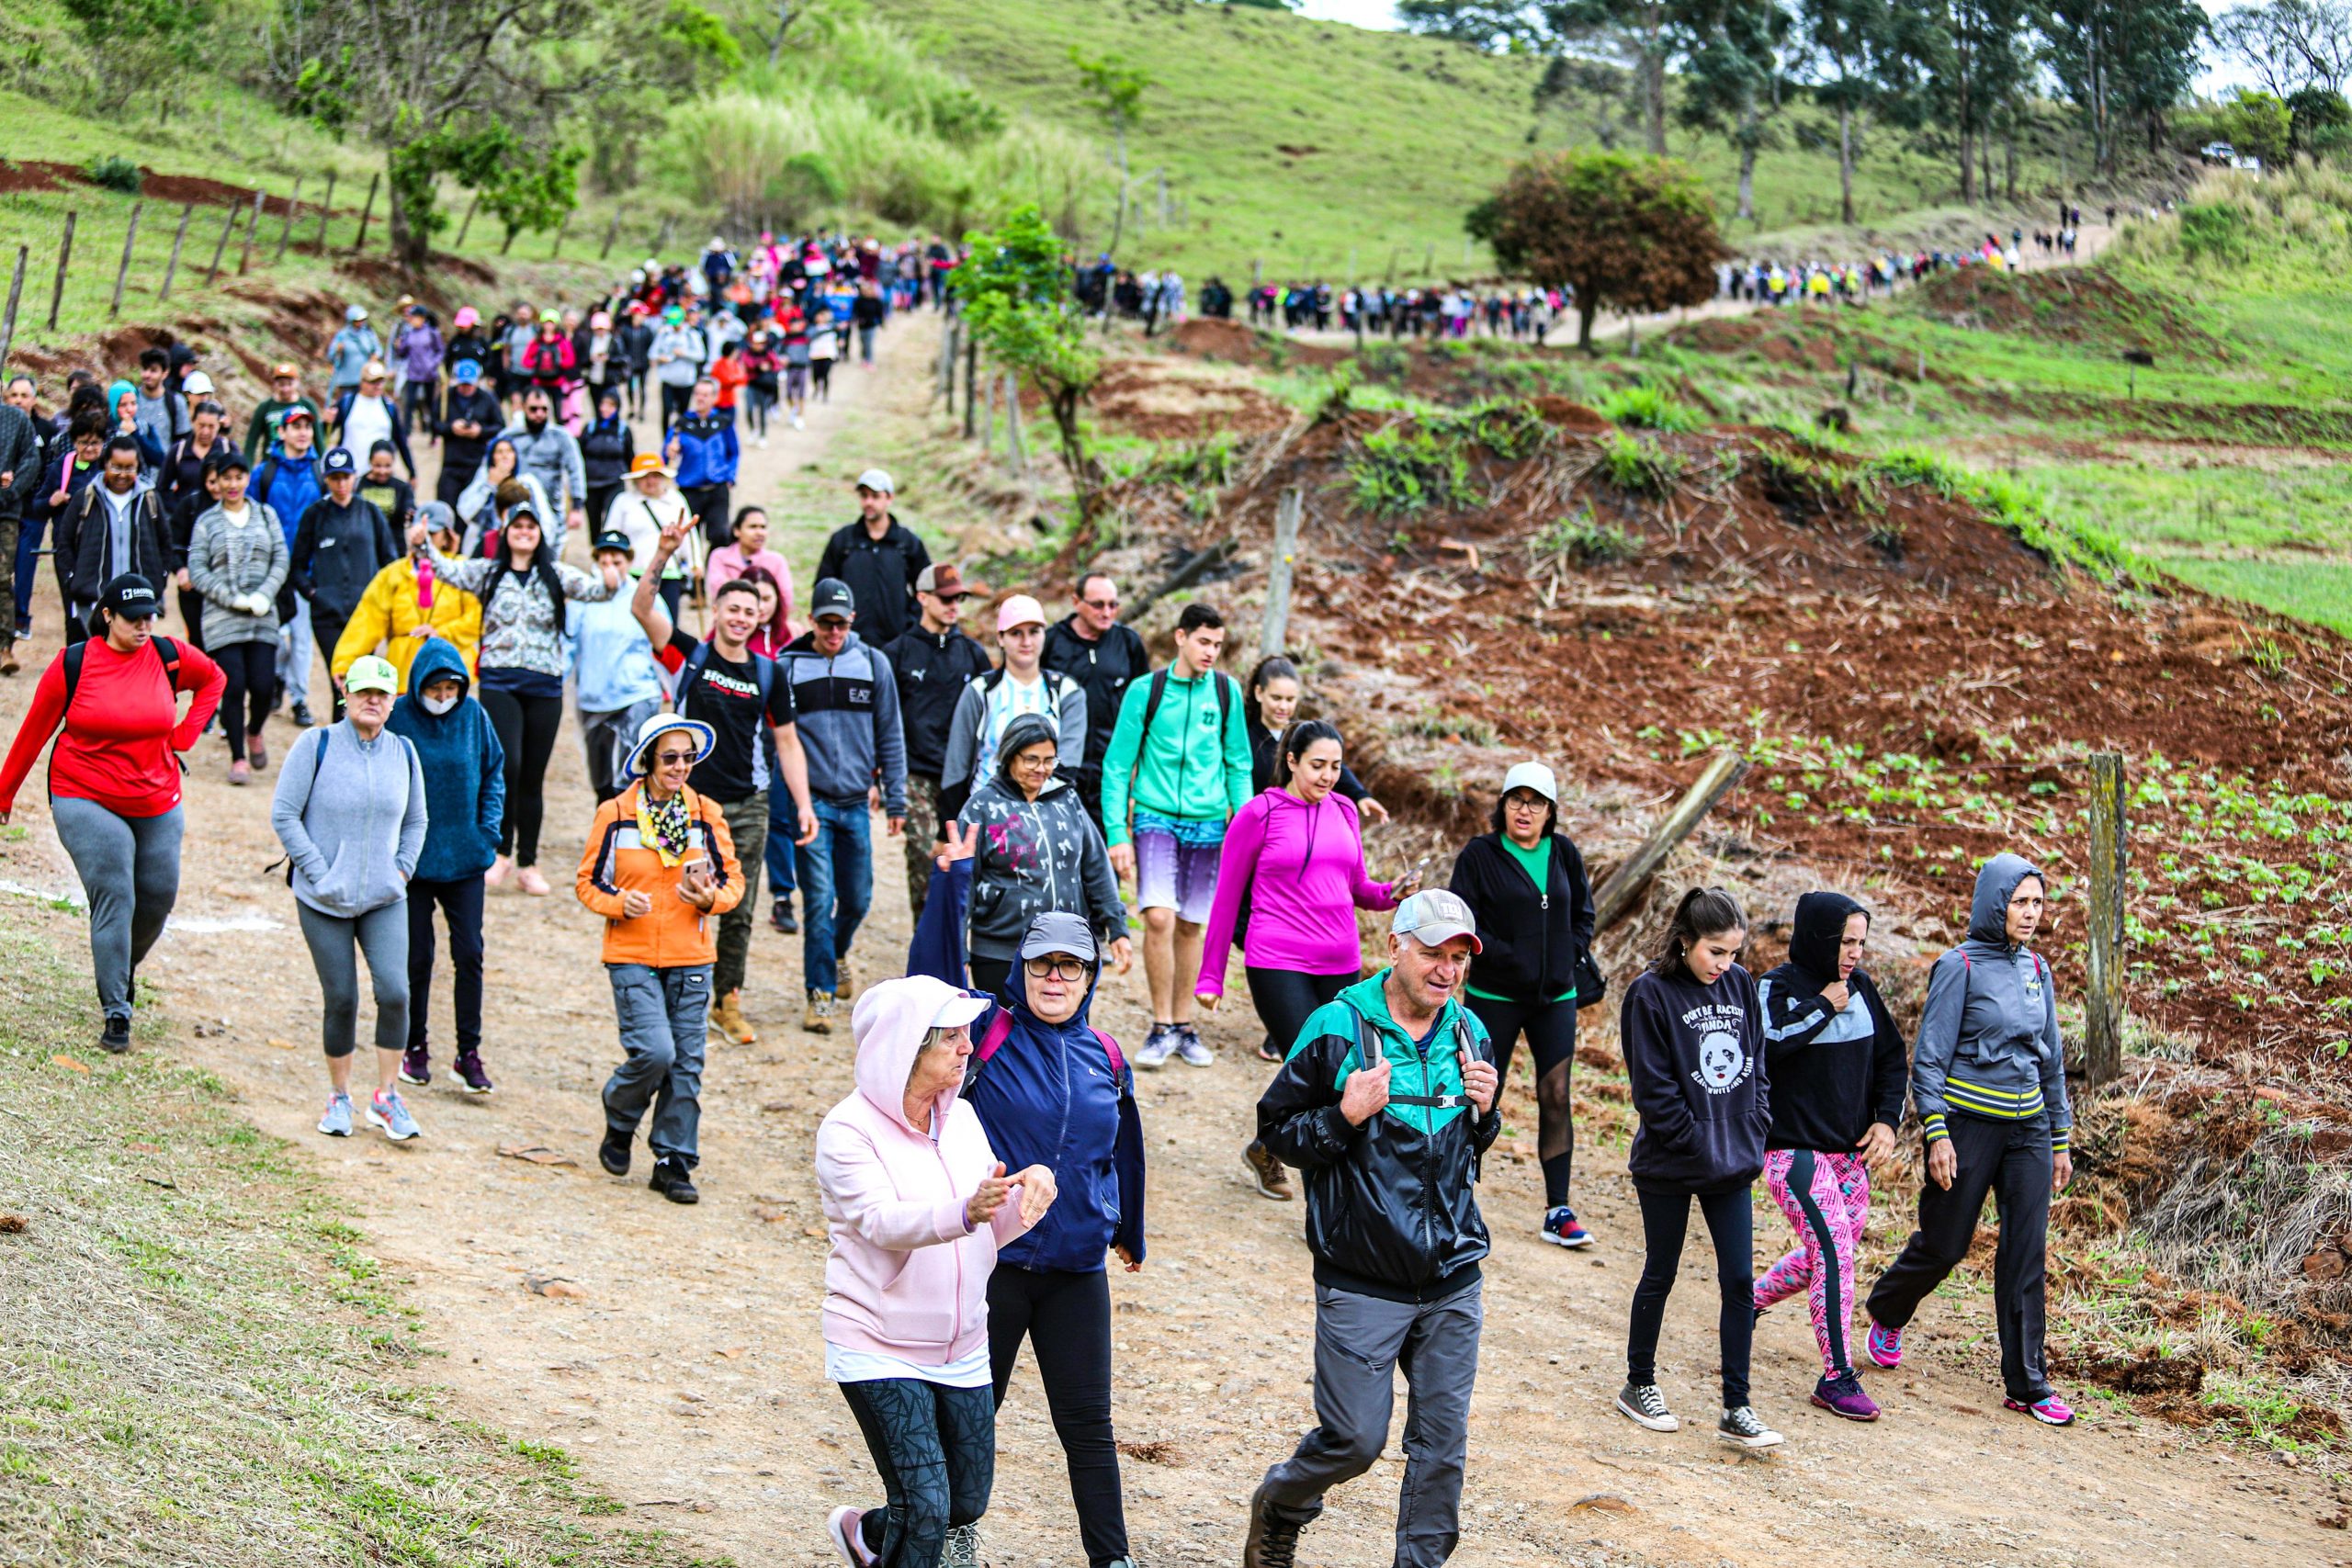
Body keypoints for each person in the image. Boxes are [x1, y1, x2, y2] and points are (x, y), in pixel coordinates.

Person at [1244, 890, 1500, 1568]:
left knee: (1442, 1446)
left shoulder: (1471, 1033)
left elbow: (1465, 1151)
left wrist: (1487, 1113)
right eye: (1432, 954)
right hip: (1361, 1276)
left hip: (1452, 1275)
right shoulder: (1337, 1028)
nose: (1446, 971)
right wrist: (1344, 1116)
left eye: (1457, 958)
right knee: (1356, 1439)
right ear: (1395, 947)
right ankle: (1283, 1503)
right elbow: (1275, 1131)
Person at [908, 907, 1146, 1568]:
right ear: (1022, 966)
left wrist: (1130, 1228)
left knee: (1089, 1426)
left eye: (1071, 965)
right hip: (996, 1261)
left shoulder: (1106, 1054)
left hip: (1075, 1268)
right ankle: (949, 1535)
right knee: (974, 1415)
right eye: (1043, 962)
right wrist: (951, 885)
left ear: (1089, 976)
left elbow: (1122, 1146)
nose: (1055, 977)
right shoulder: (985, 1032)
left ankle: (1113, 1558)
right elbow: (926, 985)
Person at [816, 975, 1057, 1568]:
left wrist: (1027, 1190)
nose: (967, 1048)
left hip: (963, 1343)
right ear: (905, 1047)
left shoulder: (966, 1118)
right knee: (924, 1507)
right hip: (877, 1341)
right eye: (950, 1037)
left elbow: (978, 1224)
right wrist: (963, 1210)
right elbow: (880, 1221)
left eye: (965, 1035)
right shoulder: (847, 1130)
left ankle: (869, 1534)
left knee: (963, 1502)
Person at [1864, 853, 2077, 1427]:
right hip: (1966, 1125)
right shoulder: (1957, 966)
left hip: (2028, 1128)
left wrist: (2060, 1135)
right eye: (2020, 902)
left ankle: (2027, 1383)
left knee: (2025, 1251)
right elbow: (1928, 1061)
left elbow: (2051, 1059)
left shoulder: (2038, 970)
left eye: (2037, 903)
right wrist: (1936, 1133)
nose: (2030, 913)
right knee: (1946, 1243)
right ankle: (1887, 1309)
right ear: (1994, 904)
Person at [0, 574, 223, 1052]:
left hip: (156, 796)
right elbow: (34, 731)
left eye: (150, 617)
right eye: (133, 618)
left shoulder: (168, 656)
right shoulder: (74, 664)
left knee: (157, 897)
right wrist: (4, 794)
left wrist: (185, 734)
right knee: (116, 893)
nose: (144, 626)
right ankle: (116, 1013)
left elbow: (213, 680)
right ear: (107, 616)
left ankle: (123, 970)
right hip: (85, 793)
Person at [1199, 717, 1406, 1201]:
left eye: (1335, 766)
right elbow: (1227, 896)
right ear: (1291, 761)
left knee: (1335, 1073)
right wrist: (1211, 976)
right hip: (1276, 960)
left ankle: (1269, 1144)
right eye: (1317, 765)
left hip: (1340, 962)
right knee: (1324, 1072)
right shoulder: (1259, 813)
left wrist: (1392, 893)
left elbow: (1357, 888)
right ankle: (1326, 1200)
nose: (1328, 776)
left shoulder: (1346, 812)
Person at [632, 522, 818, 1044]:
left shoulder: (769, 673)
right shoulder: (691, 654)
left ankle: (727, 999)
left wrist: (802, 804)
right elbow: (643, 610)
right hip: (687, 803)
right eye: (731, 609)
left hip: (749, 804)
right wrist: (664, 553)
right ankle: (670, 988)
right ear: (716, 611)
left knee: (738, 903)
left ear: (761, 616)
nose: (740, 617)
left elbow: (786, 742)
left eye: (749, 610)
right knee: (679, 895)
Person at [1615, 887, 1783, 1450]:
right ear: (1685, 941)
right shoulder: (1650, 994)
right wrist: (1699, 1141)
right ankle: (1639, 1384)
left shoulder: (1739, 985)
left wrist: (1754, 1124)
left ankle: (1737, 1406)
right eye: (1715, 952)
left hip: (1731, 1159)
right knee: (1660, 1270)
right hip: (1669, 1163)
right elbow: (1653, 1092)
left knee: (1739, 1279)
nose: (1725, 965)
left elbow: (1757, 1061)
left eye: (1734, 953)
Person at [576, 712, 745, 1204]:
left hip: (692, 956)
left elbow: (734, 883)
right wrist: (617, 903)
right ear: (647, 759)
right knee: (656, 1051)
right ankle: (621, 1113)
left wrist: (709, 900)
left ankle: (673, 1161)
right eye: (670, 757)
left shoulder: (706, 813)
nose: (680, 766)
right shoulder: (616, 813)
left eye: (688, 758)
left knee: (687, 1064)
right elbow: (587, 882)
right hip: (630, 952)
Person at [1752, 891, 1907, 1424]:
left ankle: (1749, 1301)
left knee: (1828, 1252)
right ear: (1819, 938)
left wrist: (1887, 1120)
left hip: (1849, 1156)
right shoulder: (1775, 987)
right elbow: (1767, 1044)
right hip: (1790, 1151)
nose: (1855, 953)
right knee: (1836, 1250)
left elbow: (1892, 1060)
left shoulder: (1861, 988)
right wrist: (1823, 1005)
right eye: (1846, 941)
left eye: (1862, 942)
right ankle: (1836, 1375)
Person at [422, 504, 626, 894]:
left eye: (531, 526)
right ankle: (500, 852)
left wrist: (612, 577)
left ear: (540, 534)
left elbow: (597, 591)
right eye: (517, 525)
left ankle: (528, 863)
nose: (524, 532)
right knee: (507, 766)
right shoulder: (488, 571)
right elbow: (447, 570)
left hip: (545, 685)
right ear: (506, 531)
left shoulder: (555, 574)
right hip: (500, 680)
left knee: (532, 775)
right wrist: (421, 545)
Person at [271, 654, 429, 1143]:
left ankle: (387, 1096)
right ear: (347, 696)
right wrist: (318, 871)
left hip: (385, 896)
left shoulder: (404, 752)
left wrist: (402, 868)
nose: (373, 701)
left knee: (396, 992)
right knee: (342, 998)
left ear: (393, 701)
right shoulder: (314, 745)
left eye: (382, 694)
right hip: (323, 899)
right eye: (364, 692)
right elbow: (284, 814)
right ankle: (340, 1095)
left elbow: (417, 820)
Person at [1446, 761, 1596, 1247]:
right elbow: (1465, 923)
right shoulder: (1480, 855)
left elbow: (1584, 914)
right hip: (1496, 996)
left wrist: (1569, 954)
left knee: (1555, 1095)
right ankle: (1454, 1196)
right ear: (1503, 805)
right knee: (1479, 1093)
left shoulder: (1564, 852)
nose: (1524, 810)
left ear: (1551, 810)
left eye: (1536, 802)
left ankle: (1559, 1210)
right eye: (1516, 799)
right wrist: (1509, 957)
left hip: (1556, 998)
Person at [1099, 603, 1253, 1068]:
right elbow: (1117, 764)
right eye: (1204, 641)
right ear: (1181, 637)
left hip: (1208, 823)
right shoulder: (1147, 691)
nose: (1210, 652)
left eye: (1218, 645)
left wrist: (1245, 828)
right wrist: (1116, 831)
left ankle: (1183, 1026)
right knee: (1160, 918)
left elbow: (1238, 764)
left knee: (1190, 923)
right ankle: (1160, 1024)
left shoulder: (1227, 693)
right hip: (1154, 816)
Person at [777, 579, 909, 1032]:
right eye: (826, 623)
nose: (835, 632)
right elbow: (777, 738)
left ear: (853, 621)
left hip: (855, 802)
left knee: (857, 897)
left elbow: (890, 733)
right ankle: (820, 993)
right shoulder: (789, 667)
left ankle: (836, 950)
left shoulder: (873, 664)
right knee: (818, 898)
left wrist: (896, 798)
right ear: (812, 620)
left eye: (843, 623)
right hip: (810, 803)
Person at [942, 714, 1132, 999]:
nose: (1041, 770)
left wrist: (1117, 927)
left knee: (1064, 1040)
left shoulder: (1068, 800)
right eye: (1031, 759)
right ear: (1009, 757)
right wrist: (959, 952)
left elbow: (1096, 867)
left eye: (1049, 760)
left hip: (1068, 950)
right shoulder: (981, 808)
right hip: (1001, 953)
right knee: (1003, 1038)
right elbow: (962, 888)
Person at [387, 637, 503, 1097]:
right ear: (418, 686)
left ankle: (467, 1053)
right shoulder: (398, 717)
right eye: (434, 689)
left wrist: (488, 832)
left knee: (469, 953)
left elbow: (494, 772)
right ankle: (414, 1045)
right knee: (417, 957)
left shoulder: (474, 717)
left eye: (449, 689)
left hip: (465, 859)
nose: (442, 698)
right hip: (412, 862)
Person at [881, 561, 990, 922]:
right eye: (945, 598)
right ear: (923, 597)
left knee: (964, 866)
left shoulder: (972, 654)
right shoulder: (897, 653)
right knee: (925, 856)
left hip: (962, 778)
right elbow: (885, 716)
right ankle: (926, 951)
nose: (953, 605)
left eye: (958, 598)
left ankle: (957, 946)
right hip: (916, 774)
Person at [185, 449, 289, 784]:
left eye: (238, 477)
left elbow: (281, 558)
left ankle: (254, 730)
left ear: (247, 479)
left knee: (262, 685)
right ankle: (238, 757)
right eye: (225, 478)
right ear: (216, 481)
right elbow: (197, 569)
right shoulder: (207, 521)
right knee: (233, 686)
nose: (232, 484)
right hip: (222, 619)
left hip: (262, 616)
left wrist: (264, 594)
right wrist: (232, 598)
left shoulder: (266, 515)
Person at [938, 594, 1087, 824]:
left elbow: (1069, 762)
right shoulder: (980, 691)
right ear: (1001, 638)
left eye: (1034, 632)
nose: (1026, 642)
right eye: (1016, 633)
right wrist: (948, 825)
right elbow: (957, 763)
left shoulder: (1067, 692)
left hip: (1046, 816)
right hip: (985, 816)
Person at [291, 448, 400, 724]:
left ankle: (362, 738)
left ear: (354, 478)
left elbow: (390, 561)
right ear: (326, 480)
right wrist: (315, 595)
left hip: (365, 615)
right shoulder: (315, 515)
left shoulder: (370, 513)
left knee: (363, 680)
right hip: (328, 614)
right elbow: (297, 565)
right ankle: (338, 742)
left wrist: (383, 602)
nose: (341, 484)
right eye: (334, 478)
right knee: (340, 681)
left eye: (345, 477)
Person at [331, 500, 482, 693]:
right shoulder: (392, 574)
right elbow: (368, 619)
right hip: (403, 674)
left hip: (452, 674)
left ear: (447, 535)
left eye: (432, 533)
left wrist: (441, 633)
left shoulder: (463, 569)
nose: (424, 537)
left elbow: (477, 617)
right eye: (419, 531)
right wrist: (345, 662)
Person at [1041, 572, 1149, 838]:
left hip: (1110, 770)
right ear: (1076, 601)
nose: (1107, 612)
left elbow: (1143, 708)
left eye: (1113, 605)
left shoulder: (1127, 643)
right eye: (1098, 604)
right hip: (1060, 766)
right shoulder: (1052, 641)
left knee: (1104, 850)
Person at [572, 528, 667, 804]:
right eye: (604, 562)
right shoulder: (584, 597)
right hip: (594, 696)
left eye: (617, 562)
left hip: (636, 693)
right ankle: (606, 832)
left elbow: (664, 642)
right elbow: (569, 644)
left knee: (630, 774)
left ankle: (632, 835)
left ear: (628, 562)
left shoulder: (644, 597)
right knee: (600, 779)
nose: (610, 568)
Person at [54, 436, 174, 645]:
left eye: (130, 468)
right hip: (92, 598)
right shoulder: (85, 498)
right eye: (116, 467)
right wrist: (73, 580)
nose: (122, 474)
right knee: (91, 658)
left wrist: (158, 579)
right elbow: (65, 542)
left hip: (136, 601)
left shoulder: (149, 499)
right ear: (105, 464)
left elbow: (165, 542)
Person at [1242, 656, 1387, 821]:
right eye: (1276, 698)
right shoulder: (1242, 738)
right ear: (1259, 693)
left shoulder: (1300, 736)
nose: (1283, 707)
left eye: (1290, 699)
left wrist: (1361, 796)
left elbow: (1330, 762)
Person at [254, 410, 326, 726]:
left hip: (305, 569)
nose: (302, 433)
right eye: (295, 427)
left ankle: (298, 698)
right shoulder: (264, 473)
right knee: (272, 633)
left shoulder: (319, 472)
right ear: (281, 432)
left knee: (301, 637)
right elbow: (251, 514)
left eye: (307, 427)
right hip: (270, 567)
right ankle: (277, 677)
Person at [817, 470, 929, 646]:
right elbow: (824, 586)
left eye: (875, 496)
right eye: (864, 496)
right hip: (850, 640)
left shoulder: (907, 543)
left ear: (889, 498)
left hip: (896, 640)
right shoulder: (843, 541)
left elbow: (926, 589)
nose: (868, 502)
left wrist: (910, 623)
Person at [602, 452, 697, 620]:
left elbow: (688, 534)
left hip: (668, 572)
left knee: (668, 623)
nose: (650, 481)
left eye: (655, 476)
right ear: (635, 480)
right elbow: (610, 536)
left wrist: (695, 563)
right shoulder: (623, 501)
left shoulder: (676, 500)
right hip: (633, 572)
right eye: (645, 477)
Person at [501, 390, 586, 549]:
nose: (539, 414)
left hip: (551, 509)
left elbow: (576, 470)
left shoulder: (561, 437)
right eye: (533, 409)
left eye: (544, 409)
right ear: (523, 408)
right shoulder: (509, 437)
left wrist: (576, 507)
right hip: (516, 506)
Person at [666, 377, 740, 551]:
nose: (701, 398)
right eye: (698, 394)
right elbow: (667, 454)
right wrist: (671, 451)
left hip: (717, 488)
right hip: (690, 489)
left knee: (720, 535)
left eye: (706, 395)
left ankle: (714, 572)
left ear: (714, 397)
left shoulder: (723, 423)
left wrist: (730, 476)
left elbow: (734, 452)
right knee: (690, 539)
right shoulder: (682, 424)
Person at [705, 504, 796, 634]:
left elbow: (785, 598)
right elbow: (719, 593)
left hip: (768, 629)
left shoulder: (776, 561)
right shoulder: (720, 556)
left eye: (763, 527)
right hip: (731, 627)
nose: (759, 533)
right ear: (737, 530)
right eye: (753, 527)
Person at [455, 440, 553, 555]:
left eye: (509, 451)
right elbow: (465, 512)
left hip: (521, 547)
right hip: (484, 547)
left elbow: (545, 518)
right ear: (492, 458)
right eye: (499, 452)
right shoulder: (483, 481)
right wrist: (490, 485)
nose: (504, 456)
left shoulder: (528, 482)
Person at [328, 362, 415, 479]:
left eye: (381, 382)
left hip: (378, 475)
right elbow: (327, 430)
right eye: (373, 382)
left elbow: (401, 440)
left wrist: (412, 471)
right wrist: (325, 422)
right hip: (350, 473)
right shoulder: (347, 403)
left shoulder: (389, 407)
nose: (377, 386)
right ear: (362, 382)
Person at [437, 361, 502, 508]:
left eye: (469, 384)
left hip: (476, 463)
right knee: (446, 507)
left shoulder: (487, 399)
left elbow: (499, 426)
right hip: (451, 463)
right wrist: (451, 428)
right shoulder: (446, 397)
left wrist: (480, 431)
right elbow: (435, 425)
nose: (466, 388)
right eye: (462, 384)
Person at [579, 389, 635, 544]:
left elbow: (630, 456)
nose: (605, 409)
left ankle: (610, 547)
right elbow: (579, 455)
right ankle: (596, 550)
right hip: (591, 483)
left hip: (613, 482)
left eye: (611, 405)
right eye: (603, 404)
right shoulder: (590, 429)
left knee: (612, 520)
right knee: (594, 521)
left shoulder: (623, 431)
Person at [244, 363, 321, 463]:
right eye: (281, 384)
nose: (285, 389)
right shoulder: (265, 407)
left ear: (297, 383)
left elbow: (319, 439)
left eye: (289, 384)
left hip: (301, 463)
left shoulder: (307, 405)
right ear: (275, 384)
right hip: (271, 463)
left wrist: (321, 465)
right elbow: (251, 440)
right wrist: (247, 468)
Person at [356, 440, 417, 538]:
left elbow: (409, 507)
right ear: (370, 462)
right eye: (378, 466)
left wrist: (410, 515)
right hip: (366, 545)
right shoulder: (357, 485)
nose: (382, 471)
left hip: (395, 547)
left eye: (387, 466)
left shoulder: (403, 488)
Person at [326, 307, 381, 402]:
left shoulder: (368, 334)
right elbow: (331, 355)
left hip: (364, 379)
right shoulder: (342, 335)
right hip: (347, 379)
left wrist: (375, 356)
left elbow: (378, 349)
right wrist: (337, 350)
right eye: (357, 320)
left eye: (362, 320)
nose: (360, 323)